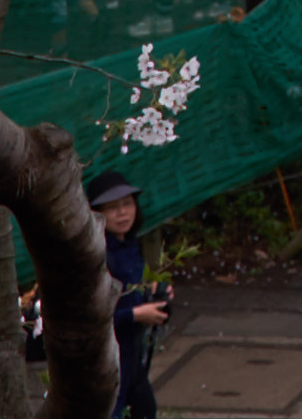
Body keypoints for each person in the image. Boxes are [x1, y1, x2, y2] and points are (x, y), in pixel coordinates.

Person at [88, 174, 170, 419]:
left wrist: (154, 294)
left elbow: (132, 291)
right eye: (113, 207)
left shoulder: (130, 245)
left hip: (132, 349)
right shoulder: (96, 255)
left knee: (144, 408)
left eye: (127, 204)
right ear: (96, 213)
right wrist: (136, 314)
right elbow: (90, 317)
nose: (122, 213)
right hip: (107, 354)